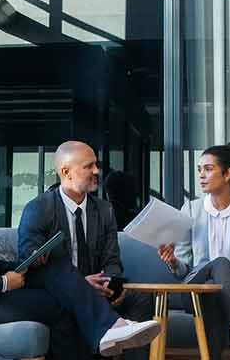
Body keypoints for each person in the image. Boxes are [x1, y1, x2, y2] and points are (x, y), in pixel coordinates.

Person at [0, 139, 161, 360]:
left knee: (54, 266)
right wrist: (4, 283)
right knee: (60, 300)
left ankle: (111, 326)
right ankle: (110, 327)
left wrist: (18, 270)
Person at [17, 141, 157, 359]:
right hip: (59, 292)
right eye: (89, 166)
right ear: (66, 172)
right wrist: (81, 283)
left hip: (99, 290)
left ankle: (112, 333)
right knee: (65, 306)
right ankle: (108, 331)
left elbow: (112, 259)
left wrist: (111, 284)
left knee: (141, 299)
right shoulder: (38, 208)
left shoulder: (104, 210)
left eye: (96, 165)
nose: (96, 171)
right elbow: (29, 261)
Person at [155, 142, 230, 360]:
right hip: (196, 290)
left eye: (208, 169)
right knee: (218, 265)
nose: (201, 175)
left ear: (227, 173)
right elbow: (183, 271)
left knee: (215, 298)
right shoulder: (190, 209)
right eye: (199, 169)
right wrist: (172, 262)